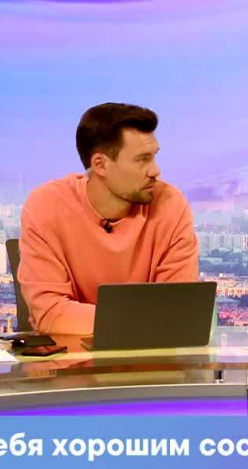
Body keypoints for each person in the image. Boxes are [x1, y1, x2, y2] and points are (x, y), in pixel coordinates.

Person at [18, 103, 199, 334]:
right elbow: (50, 314)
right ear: (100, 165)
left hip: (150, 353)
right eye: (142, 159)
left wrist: (119, 322)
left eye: (154, 157)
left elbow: (179, 310)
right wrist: (147, 319)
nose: (155, 170)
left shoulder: (170, 205)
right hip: (67, 353)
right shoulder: (47, 206)